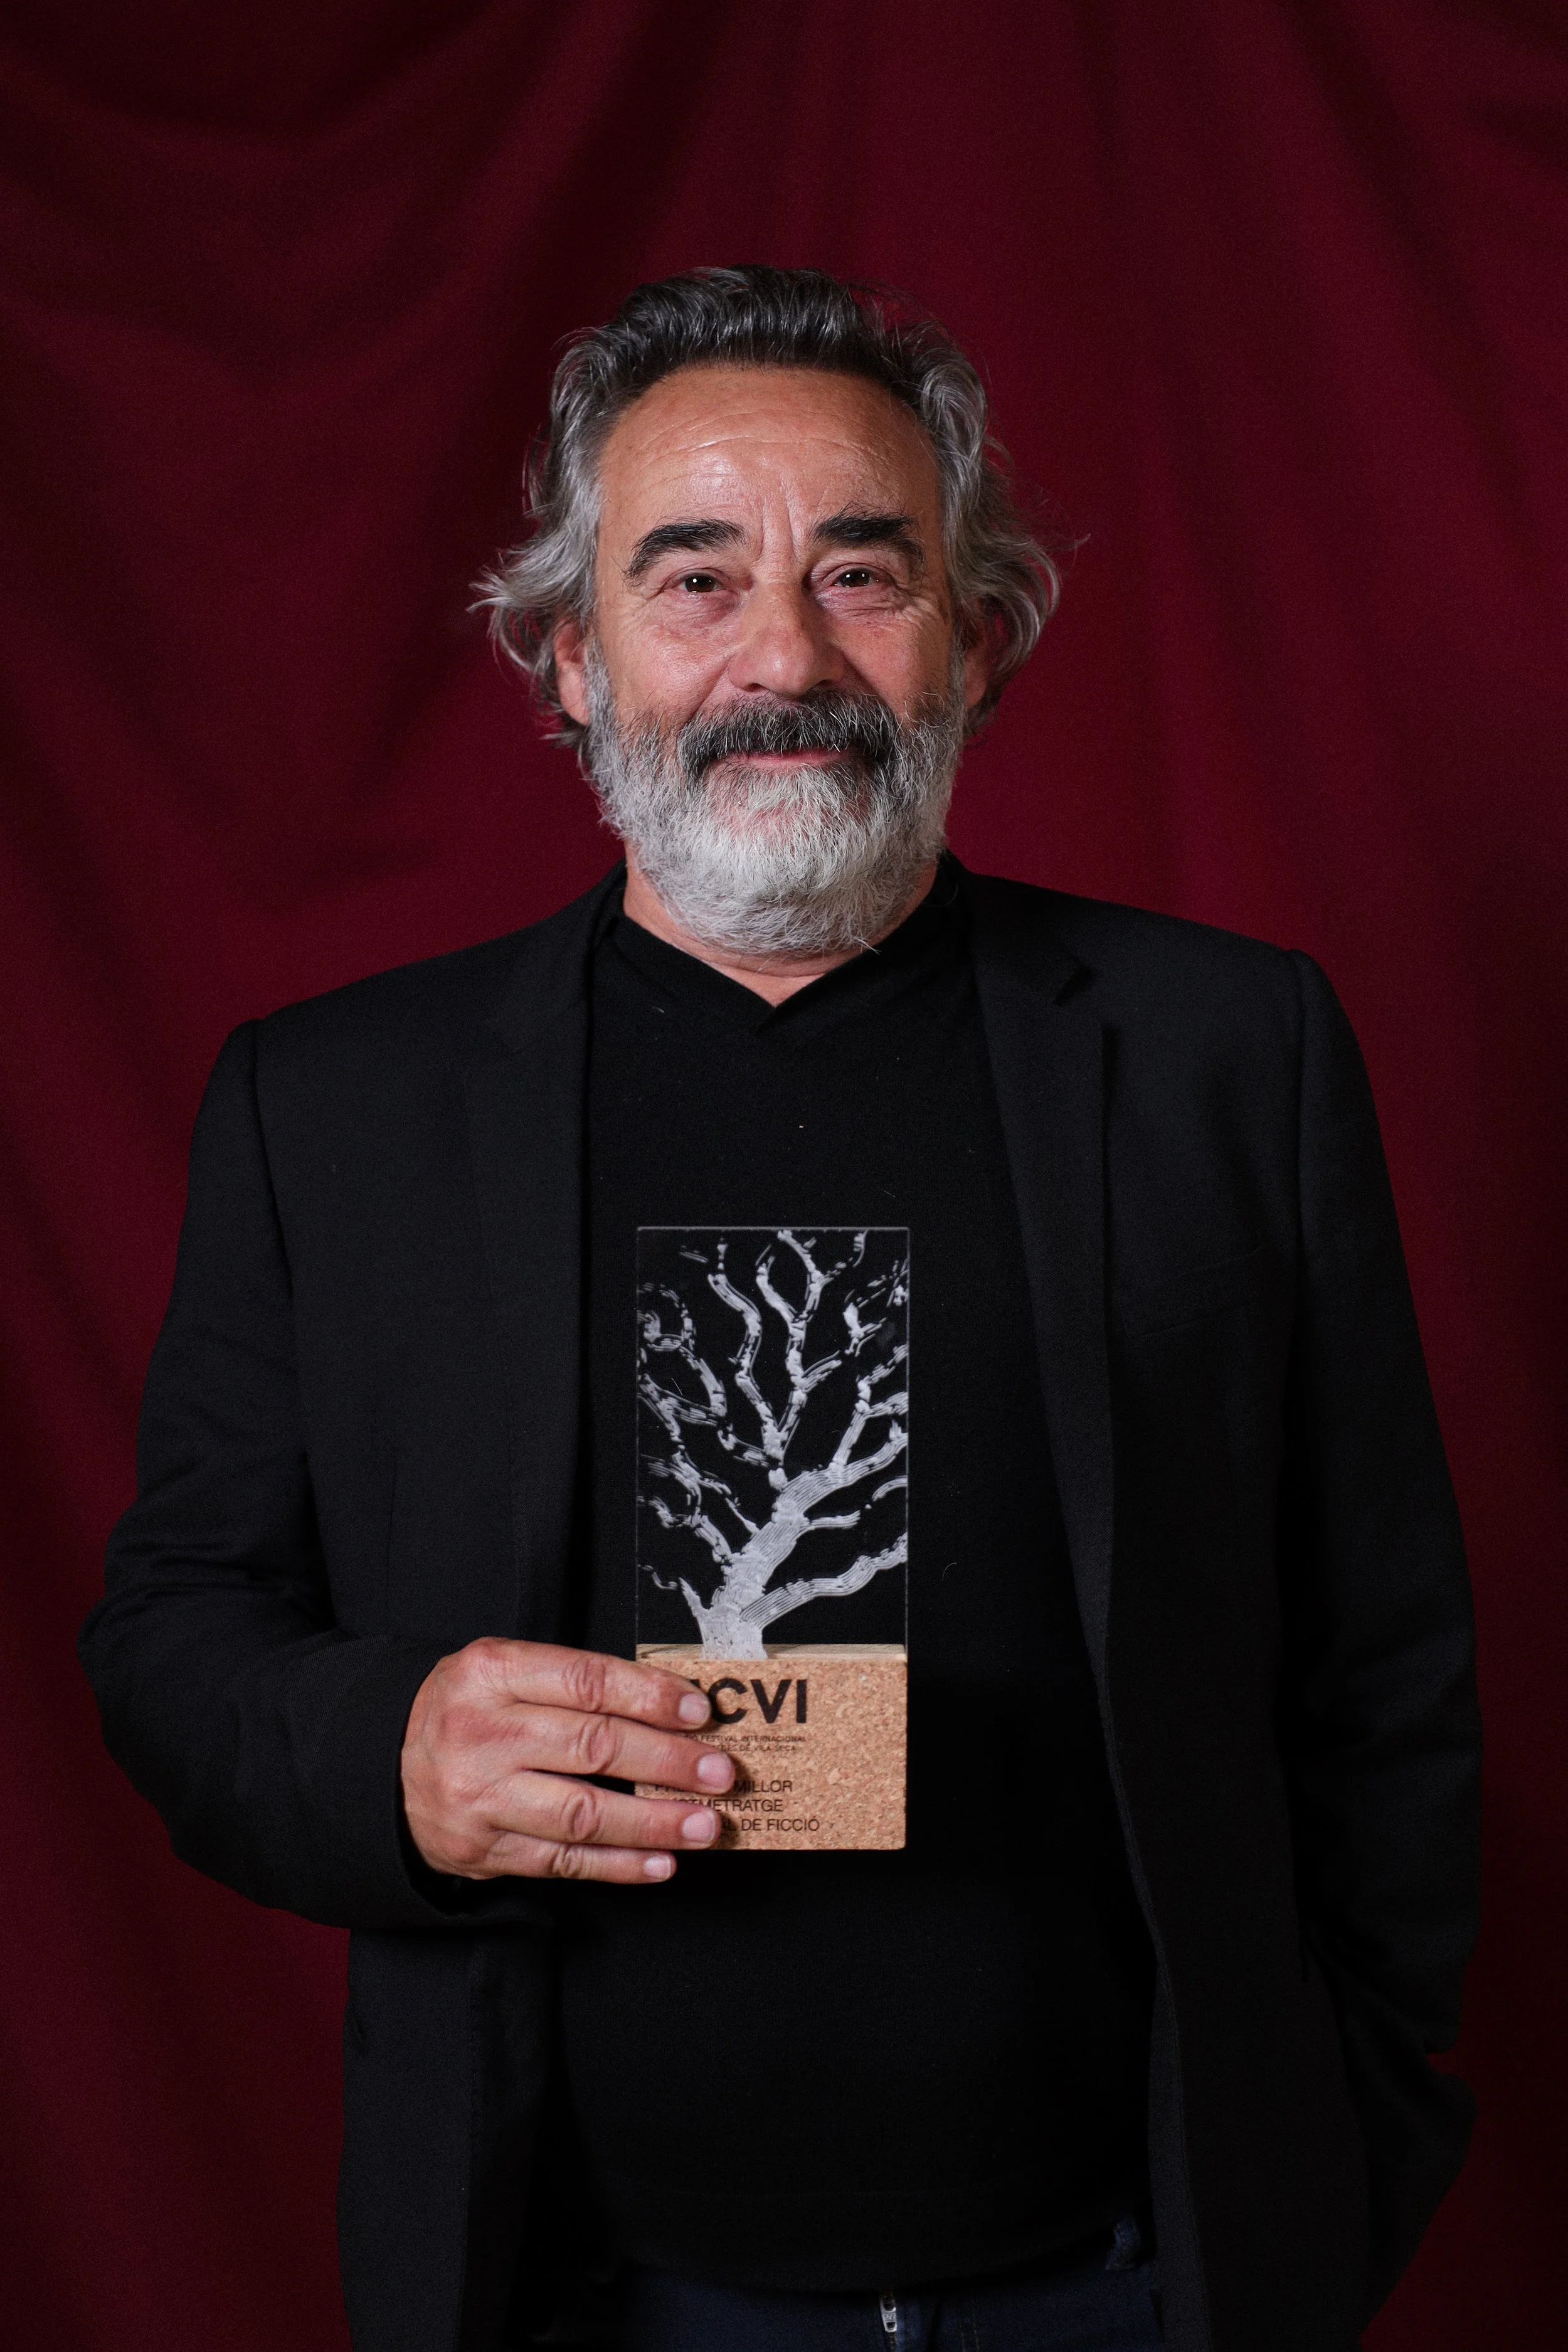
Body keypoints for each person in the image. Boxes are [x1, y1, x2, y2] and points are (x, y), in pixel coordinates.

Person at [81, 266, 1480, 2352]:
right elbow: (177, 1629)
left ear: (978, 637)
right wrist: (392, 1752)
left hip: (1126, 2280)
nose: (784, 655)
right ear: (568, 657)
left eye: (861, 569)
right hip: (578, 2291)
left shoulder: (1225, 1055)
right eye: (694, 577)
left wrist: (1321, 2174)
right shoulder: (335, 1106)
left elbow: (1382, 1664)